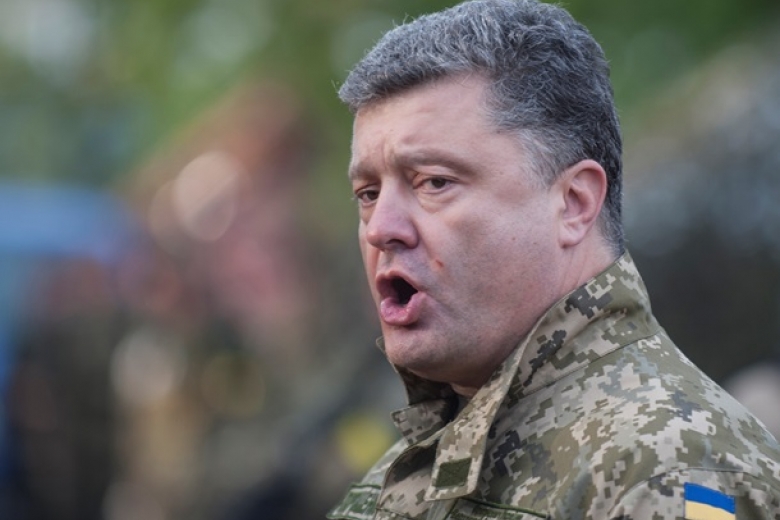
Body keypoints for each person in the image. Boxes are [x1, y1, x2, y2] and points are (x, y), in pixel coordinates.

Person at [328, 1, 780, 519]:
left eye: (434, 182)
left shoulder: (672, 474)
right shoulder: (407, 469)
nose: (381, 228)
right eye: (367, 194)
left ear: (574, 204)